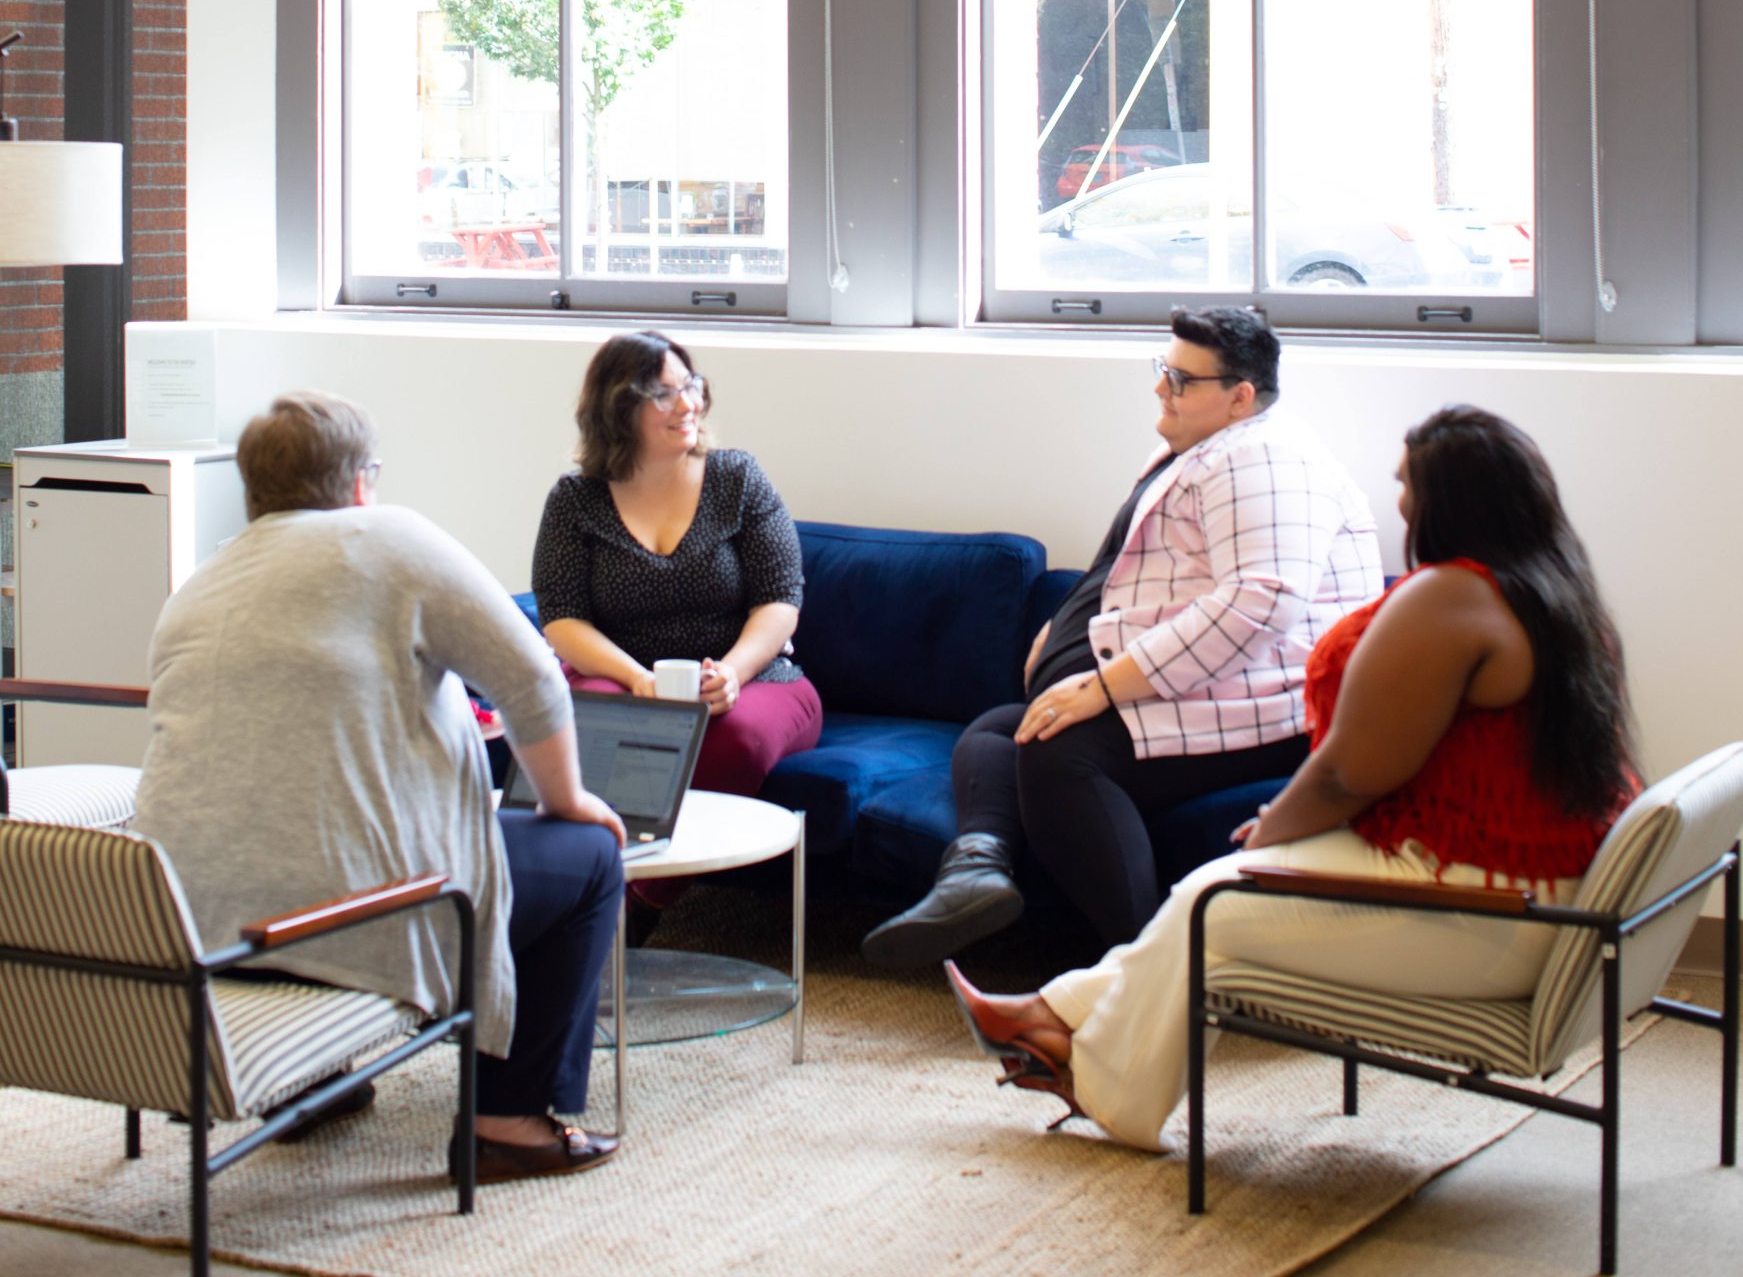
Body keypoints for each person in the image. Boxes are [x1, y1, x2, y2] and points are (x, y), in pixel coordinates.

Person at [947, 405, 1640, 1153]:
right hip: (1528, 880)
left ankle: (1089, 1069)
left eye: (1406, 483)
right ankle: (1054, 1024)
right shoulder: (1554, 590)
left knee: (1213, 901)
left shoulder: (1451, 597)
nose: (1398, 500)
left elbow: (1349, 772)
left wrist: (1271, 834)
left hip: (1491, 906)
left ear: (1449, 499)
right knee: (1209, 902)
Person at [135, 393, 626, 1185]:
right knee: (587, 859)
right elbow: (533, 678)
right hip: (344, 923)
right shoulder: (389, 537)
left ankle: (313, 1082)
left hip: (193, 925)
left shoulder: (203, 580)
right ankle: (507, 1119)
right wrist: (566, 799)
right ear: (362, 482)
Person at [862, 307, 1384, 966]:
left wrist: (1104, 684)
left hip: (1270, 707)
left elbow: (1260, 604)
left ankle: (1140, 970)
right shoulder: (1203, 449)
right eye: (1161, 370)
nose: (1160, 388)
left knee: (1060, 753)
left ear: (1239, 396)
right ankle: (975, 870)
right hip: (1216, 688)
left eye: (1180, 378)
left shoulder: (1266, 461)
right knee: (999, 729)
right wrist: (1066, 627)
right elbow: (1149, 572)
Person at [531, 331, 824, 804]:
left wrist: (731, 674)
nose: (687, 405)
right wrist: (636, 678)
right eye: (663, 395)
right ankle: (616, 871)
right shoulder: (575, 500)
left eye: (691, 387)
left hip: (752, 681)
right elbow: (562, 619)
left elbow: (780, 597)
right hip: (625, 679)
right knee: (598, 725)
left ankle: (634, 880)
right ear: (617, 408)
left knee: (734, 740)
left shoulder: (738, 478)